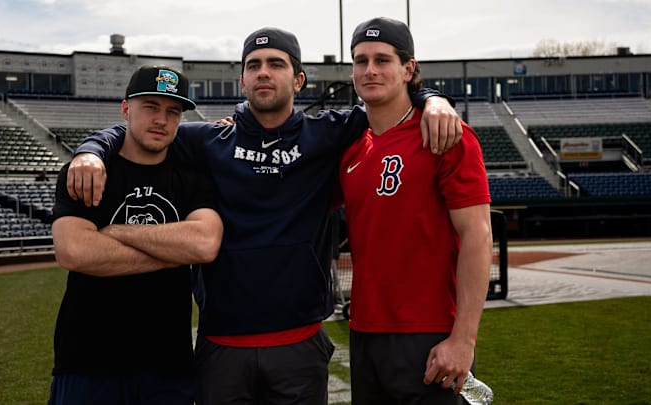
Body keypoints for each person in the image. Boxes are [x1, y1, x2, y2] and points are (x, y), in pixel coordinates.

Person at [66, 27, 462, 405]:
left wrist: (433, 98)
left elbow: (390, 98)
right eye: (253, 65)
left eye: (276, 63)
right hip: (222, 345)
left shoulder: (330, 133)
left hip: (300, 344)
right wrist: (91, 149)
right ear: (242, 81)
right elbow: (141, 128)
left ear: (299, 80)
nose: (263, 73)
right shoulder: (208, 141)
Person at [48, 65, 223, 405]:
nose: (162, 119)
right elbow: (74, 252)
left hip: (167, 366)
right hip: (86, 361)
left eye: (173, 112)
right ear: (126, 108)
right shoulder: (87, 171)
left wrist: (113, 233)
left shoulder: (193, 178)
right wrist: (173, 249)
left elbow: (204, 243)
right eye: (151, 107)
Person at [339, 17, 493, 404]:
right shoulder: (351, 148)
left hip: (428, 334)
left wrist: (463, 340)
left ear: (408, 68)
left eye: (382, 59)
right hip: (364, 332)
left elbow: (477, 234)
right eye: (360, 61)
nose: (370, 70)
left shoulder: (446, 135)